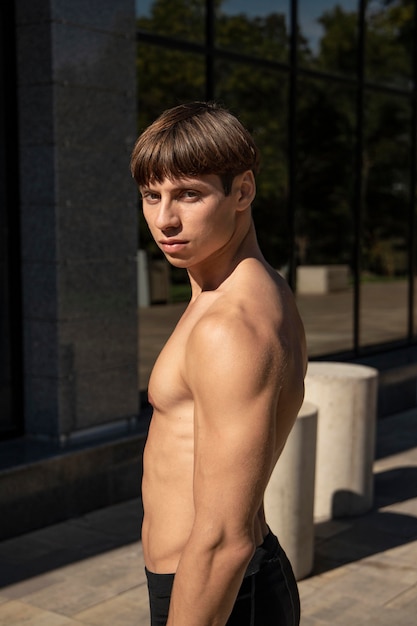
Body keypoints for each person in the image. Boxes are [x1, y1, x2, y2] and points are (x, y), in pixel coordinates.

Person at [130, 101, 307, 626]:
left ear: (243, 191)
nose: (165, 219)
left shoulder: (231, 326)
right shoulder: (231, 286)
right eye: (151, 196)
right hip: (220, 589)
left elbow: (224, 539)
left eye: (189, 194)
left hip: (219, 596)